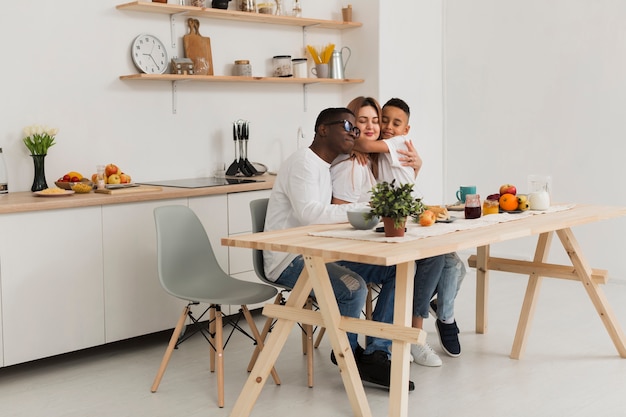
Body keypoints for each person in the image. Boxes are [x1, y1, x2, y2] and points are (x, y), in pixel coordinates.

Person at [264, 107, 445, 390]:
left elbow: (329, 214)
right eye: (348, 126)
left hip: (320, 254)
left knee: (400, 269)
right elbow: (311, 214)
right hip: (289, 259)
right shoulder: (303, 163)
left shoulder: (325, 166)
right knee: (354, 287)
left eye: (355, 129)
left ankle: (377, 352)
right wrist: (368, 208)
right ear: (323, 129)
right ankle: (346, 356)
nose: (354, 133)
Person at [342, 97, 465, 365]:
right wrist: (356, 144)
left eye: (393, 123)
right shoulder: (368, 158)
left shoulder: (396, 144)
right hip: (402, 218)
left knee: (452, 265)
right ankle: (417, 330)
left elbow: (364, 142)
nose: (385, 126)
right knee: (443, 262)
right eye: (382, 120)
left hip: (415, 212)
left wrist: (357, 140)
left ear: (406, 130)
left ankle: (437, 319)